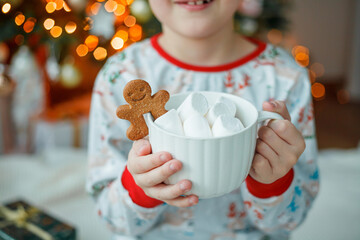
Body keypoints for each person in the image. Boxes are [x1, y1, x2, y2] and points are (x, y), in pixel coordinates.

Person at [86, 0, 319, 239]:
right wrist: (142, 187)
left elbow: (291, 220)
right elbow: (111, 217)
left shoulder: (285, 78)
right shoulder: (120, 76)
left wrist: (273, 181)